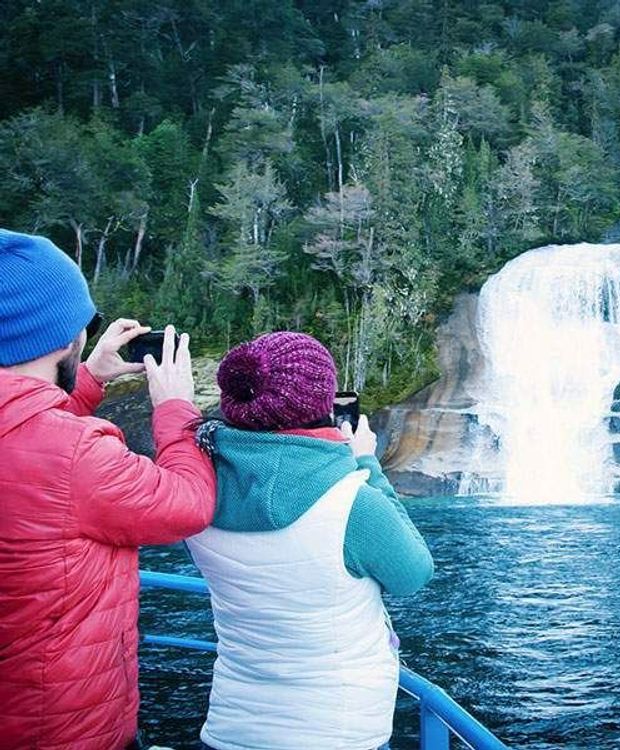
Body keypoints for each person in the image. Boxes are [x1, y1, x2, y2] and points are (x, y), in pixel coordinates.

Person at [0, 229, 217, 749]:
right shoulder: (76, 451)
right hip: (62, 728)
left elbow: (29, 442)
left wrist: (90, 377)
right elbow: (187, 504)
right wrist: (176, 408)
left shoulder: (44, 441)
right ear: (63, 338)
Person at [186, 331, 434, 750]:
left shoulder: (195, 493)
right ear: (321, 406)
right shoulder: (352, 504)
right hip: (338, 732)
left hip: (231, 728)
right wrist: (367, 464)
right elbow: (414, 574)